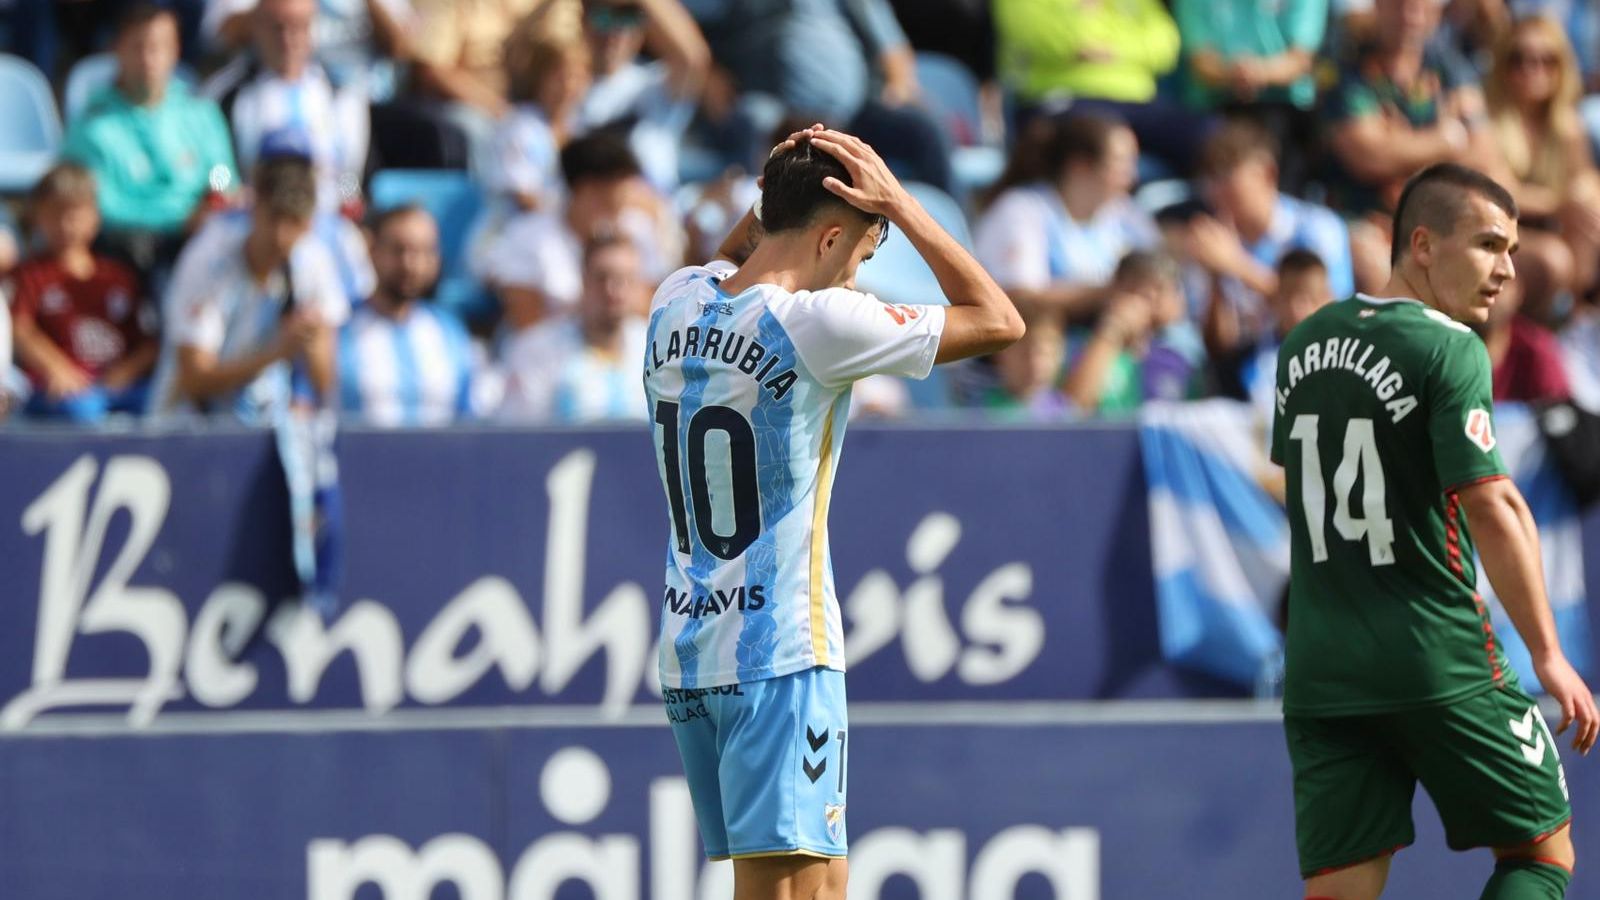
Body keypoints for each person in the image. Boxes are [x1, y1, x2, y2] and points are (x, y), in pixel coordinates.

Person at [646, 124, 1022, 900]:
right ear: (830, 234)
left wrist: (788, 181)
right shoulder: (818, 325)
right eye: (862, 250)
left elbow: (738, 256)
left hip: (692, 648)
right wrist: (899, 203)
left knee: (824, 886)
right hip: (779, 651)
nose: (857, 272)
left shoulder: (674, 299)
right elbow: (999, 319)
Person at [1270, 163, 1596, 900]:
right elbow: (1492, 505)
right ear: (1422, 244)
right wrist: (1549, 655)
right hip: (1434, 655)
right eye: (1487, 245)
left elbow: (1301, 491)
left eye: (1511, 249)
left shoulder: (1300, 347)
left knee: (1340, 892)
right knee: (1542, 854)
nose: (1506, 271)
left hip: (1323, 671)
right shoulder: (1448, 348)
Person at [1321, 0, 1514, 293]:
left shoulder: (1447, 64)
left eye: (1422, 6)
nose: (1411, 15)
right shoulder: (1347, 64)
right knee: (1378, 270)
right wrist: (1446, 138)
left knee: (1506, 280)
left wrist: (1402, 143)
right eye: (1399, 5)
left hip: (1441, 220)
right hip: (1365, 216)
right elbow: (1368, 156)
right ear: (1378, 7)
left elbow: (1484, 156)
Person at [149, 147, 348, 422]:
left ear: (309, 224)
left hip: (267, 430)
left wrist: (309, 341)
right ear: (255, 208)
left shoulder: (314, 261)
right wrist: (277, 352)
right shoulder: (208, 257)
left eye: (294, 222)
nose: (281, 236)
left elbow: (325, 383)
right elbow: (194, 379)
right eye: (274, 218)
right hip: (186, 429)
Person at [62, 4, 237, 259]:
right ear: (117, 49)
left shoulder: (201, 114)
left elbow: (222, 170)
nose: (148, 59)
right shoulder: (91, 127)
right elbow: (100, 207)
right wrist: (179, 220)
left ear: (176, 50)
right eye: (138, 47)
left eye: (159, 47)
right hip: (125, 250)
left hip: (200, 241)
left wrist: (216, 193)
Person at [482, 132, 681, 330]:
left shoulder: (637, 230)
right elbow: (526, 324)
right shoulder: (527, 237)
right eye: (619, 188)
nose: (630, 196)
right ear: (588, 189)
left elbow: (654, 308)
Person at [1182, 121, 1353, 352]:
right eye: (1211, 179)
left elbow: (1331, 314)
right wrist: (1215, 279)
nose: (1216, 191)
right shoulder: (1214, 243)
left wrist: (1236, 265)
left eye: (1227, 177)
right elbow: (1219, 345)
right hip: (1247, 375)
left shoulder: (1317, 228)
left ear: (1267, 174)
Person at [8, 163, 157, 423]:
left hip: (119, 385)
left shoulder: (119, 277)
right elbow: (21, 330)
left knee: (160, 402)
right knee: (82, 412)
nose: (66, 225)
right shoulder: (31, 275)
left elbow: (148, 344)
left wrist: (125, 373)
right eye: (55, 214)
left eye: (74, 214)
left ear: (94, 216)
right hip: (61, 391)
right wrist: (57, 369)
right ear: (37, 216)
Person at [974, 114, 1157, 324]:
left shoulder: (1127, 215)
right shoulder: (1021, 210)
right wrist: (1107, 295)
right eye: (1120, 163)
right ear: (1080, 166)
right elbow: (1016, 299)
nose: (1132, 177)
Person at [203, 0, 371, 213]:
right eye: (277, 28)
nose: (288, 39)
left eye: (299, 27)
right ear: (257, 28)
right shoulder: (224, 95)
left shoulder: (342, 95)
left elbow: (350, 173)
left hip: (324, 219)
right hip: (252, 221)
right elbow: (218, 167)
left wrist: (348, 204)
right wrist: (226, 193)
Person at [1485, 15, 1600, 308]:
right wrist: (1563, 204)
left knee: (1589, 212)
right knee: (1555, 258)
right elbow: (1502, 195)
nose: (1532, 70)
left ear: (1561, 68)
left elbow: (1585, 184)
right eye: (1519, 59)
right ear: (1503, 65)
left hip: (1555, 230)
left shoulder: (1567, 126)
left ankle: (1582, 316)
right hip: (1498, 232)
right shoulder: (1489, 121)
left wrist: (1580, 200)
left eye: (1546, 60)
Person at [339, 205, 475, 426]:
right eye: (399, 250)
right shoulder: (338, 330)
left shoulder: (451, 332)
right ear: (372, 250)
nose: (411, 264)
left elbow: (466, 419)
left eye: (424, 251)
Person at [1172, 0, 1328, 191]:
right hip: (1217, 107)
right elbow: (1199, 60)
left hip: (1284, 108)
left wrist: (1257, 73)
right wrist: (1235, 74)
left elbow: (1300, 59)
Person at [499, 233, 648, 422]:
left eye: (626, 279)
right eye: (602, 278)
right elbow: (517, 435)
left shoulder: (657, 348)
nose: (614, 290)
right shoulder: (537, 350)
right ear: (584, 280)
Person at [578, 0, 709, 194]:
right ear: (583, 23)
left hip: (654, 210)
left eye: (628, 18)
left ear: (642, 33)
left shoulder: (653, 84)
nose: (615, 32)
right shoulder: (559, 84)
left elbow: (694, 59)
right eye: (602, 17)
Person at [1062, 249, 1201, 416]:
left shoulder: (1182, 353)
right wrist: (1112, 330)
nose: (1148, 300)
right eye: (1135, 289)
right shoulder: (1080, 344)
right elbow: (1071, 409)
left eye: (1159, 290)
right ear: (1112, 292)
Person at [1207, 248, 1335, 419]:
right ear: (1275, 298)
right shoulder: (1240, 364)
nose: (1297, 309)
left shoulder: (1352, 366)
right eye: (1288, 295)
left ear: (1328, 300)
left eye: (1310, 298)